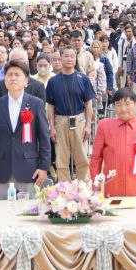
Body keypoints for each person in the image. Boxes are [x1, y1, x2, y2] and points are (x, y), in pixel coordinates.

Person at [0, 61, 51, 199]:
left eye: (17, 75)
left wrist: (44, 167)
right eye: (9, 75)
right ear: (4, 79)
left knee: (30, 210)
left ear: (26, 80)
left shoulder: (36, 104)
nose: (13, 78)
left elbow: (44, 138)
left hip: (30, 170)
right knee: (3, 210)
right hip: (2, 170)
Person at [90, 87, 136, 197]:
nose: (123, 109)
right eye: (118, 104)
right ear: (114, 107)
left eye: (127, 104)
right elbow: (95, 159)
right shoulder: (104, 126)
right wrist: (95, 189)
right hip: (113, 194)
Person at [45, 47, 95, 182]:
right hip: (60, 121)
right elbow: (50, 106)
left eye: (72, 56)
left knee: (82, 157)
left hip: (79, 120)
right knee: (61, 160)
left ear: (76, 59)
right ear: (60, 58)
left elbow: (88, 104)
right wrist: (52, 127)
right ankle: (64, 190)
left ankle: (84, 187)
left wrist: (88, 125)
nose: (69, 59)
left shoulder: (83, 79)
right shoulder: (53, 81)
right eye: (66, 56)